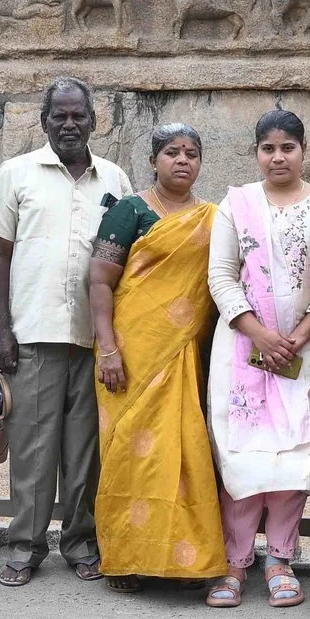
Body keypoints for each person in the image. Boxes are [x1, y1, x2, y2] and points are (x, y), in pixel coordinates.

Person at [0, 79, 133, 587]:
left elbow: (130, 257)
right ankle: (24, 546)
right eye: (59, 116)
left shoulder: (114, 177)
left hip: (94, 339)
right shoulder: (16, 173)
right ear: (45, 121)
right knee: (32, 448)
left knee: (84, 450)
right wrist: (2, 331)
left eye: (79, 116)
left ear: (95, 119)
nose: (70, 125)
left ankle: (80, 542)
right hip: (35, 334)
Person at [88, 122, 225, 591]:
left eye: (191, 152)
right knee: (132, 455)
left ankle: (185, 560)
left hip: (186, 352)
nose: (182, 160)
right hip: (130, 352)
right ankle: (127, 558)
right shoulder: (130, 210)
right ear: (153, 161)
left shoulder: (213, 217)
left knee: (186, 452)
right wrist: (107, 348)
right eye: (171, 152)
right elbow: (100, 281)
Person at [205, 110, 310, 609]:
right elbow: (221, 277)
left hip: (304, 351)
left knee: (294, 455)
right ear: (256, 153)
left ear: (303, 151)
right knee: (241, 454)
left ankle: (279, 559)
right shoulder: (235, 205)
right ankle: (235, 563)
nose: (278, 157)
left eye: (288, 148)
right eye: (268, 148)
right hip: (241, 348)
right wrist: (260, 335)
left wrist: (297, 337)